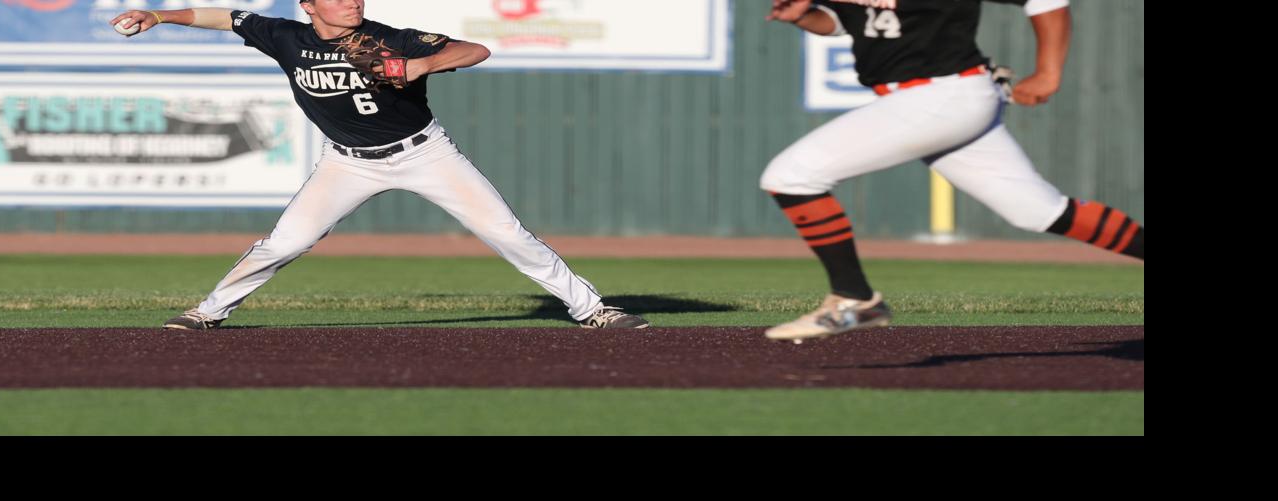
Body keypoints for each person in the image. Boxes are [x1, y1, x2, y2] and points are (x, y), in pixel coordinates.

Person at [113, 0, 648, 331]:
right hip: (347, 164)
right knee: (285, 243)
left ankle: (592, 309)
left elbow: (476, 49)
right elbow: (226, 18)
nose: (352, 2)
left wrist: (421, 63)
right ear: (309, 6)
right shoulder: (286, 38)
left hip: (424, 152)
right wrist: (158, 15)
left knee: (506, 231)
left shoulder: (388, 38)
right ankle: (207, 312)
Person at [760, 0, 1143, 342]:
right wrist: (806, 17)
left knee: (792, 175)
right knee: (1037, 210)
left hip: (943, 94)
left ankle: (853, 298)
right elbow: (851, 22)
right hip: (933, 98)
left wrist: (1048, 71)